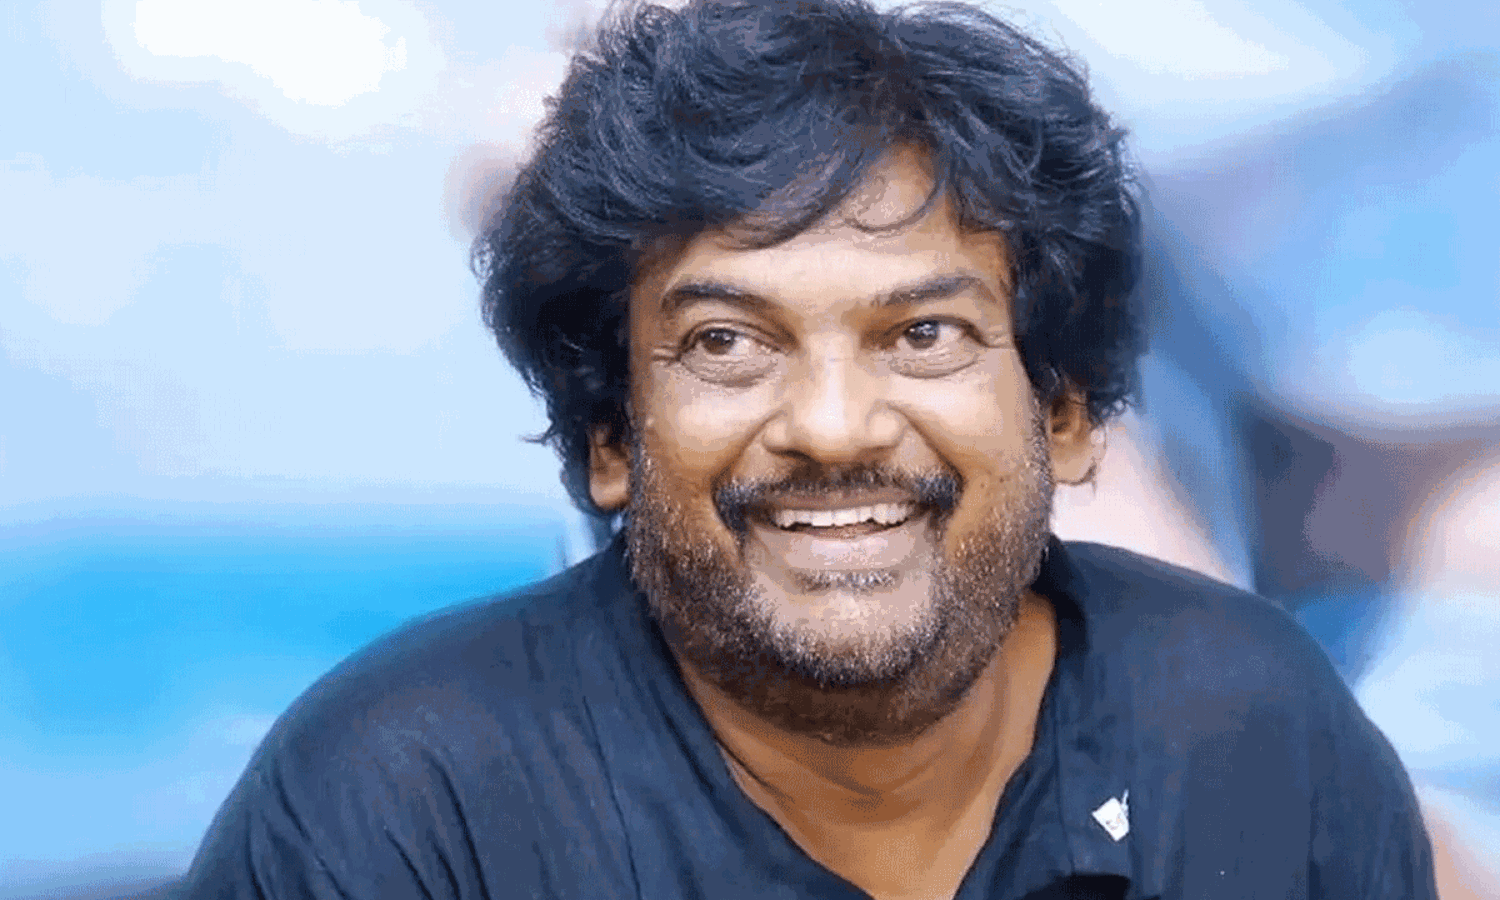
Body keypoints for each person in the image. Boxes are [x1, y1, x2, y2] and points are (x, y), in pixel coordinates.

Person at [181, 0, 1437, 897]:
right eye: (728, 343)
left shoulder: (1256, 732)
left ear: (1065, 413)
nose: (833, 426)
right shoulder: (405, 800)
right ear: (608, 437)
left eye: (924, 333)